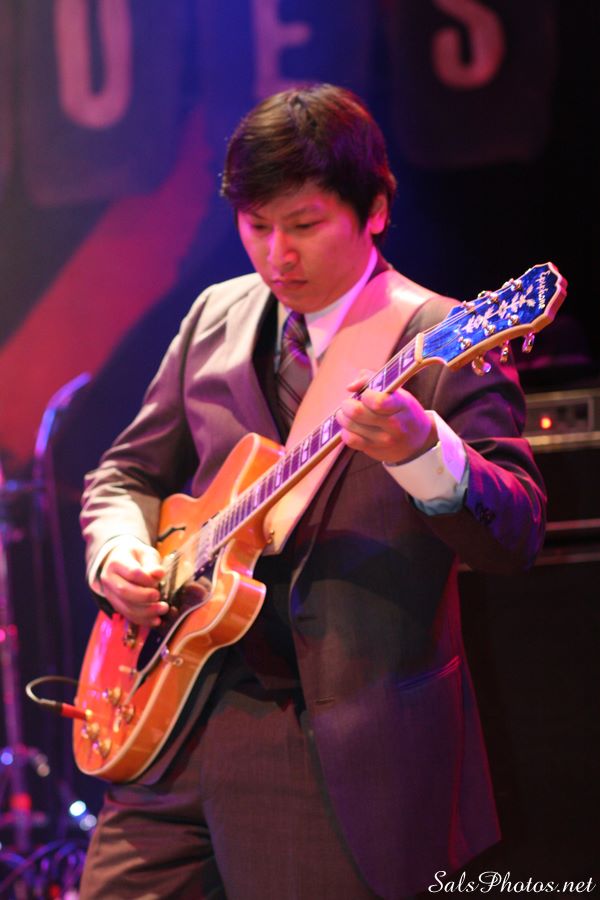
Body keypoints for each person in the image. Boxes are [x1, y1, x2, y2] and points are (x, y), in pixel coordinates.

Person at [78, 83, 546, 899]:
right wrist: (117, 550)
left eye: (303, 225)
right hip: (169, 725)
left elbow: (517, 533)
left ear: (375, 210)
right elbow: (125, 475)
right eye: (256, 225)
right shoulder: (215, 317)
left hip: (330, 749)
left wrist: (423, 453)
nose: (276, 257)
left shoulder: (440, 336)